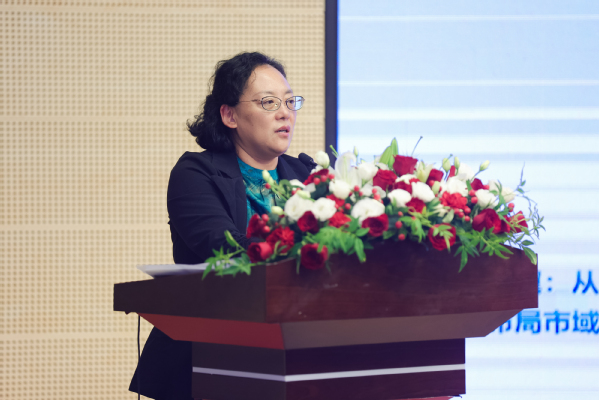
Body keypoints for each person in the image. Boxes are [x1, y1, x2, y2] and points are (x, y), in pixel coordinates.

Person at [129, 52, 312, 399]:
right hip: (208, 358)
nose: (285, 112)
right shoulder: (196, 173)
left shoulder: (307, 174)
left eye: (290, 101)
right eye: (269, 102)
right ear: (229, 115)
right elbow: (223, 245)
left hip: (298, 357)